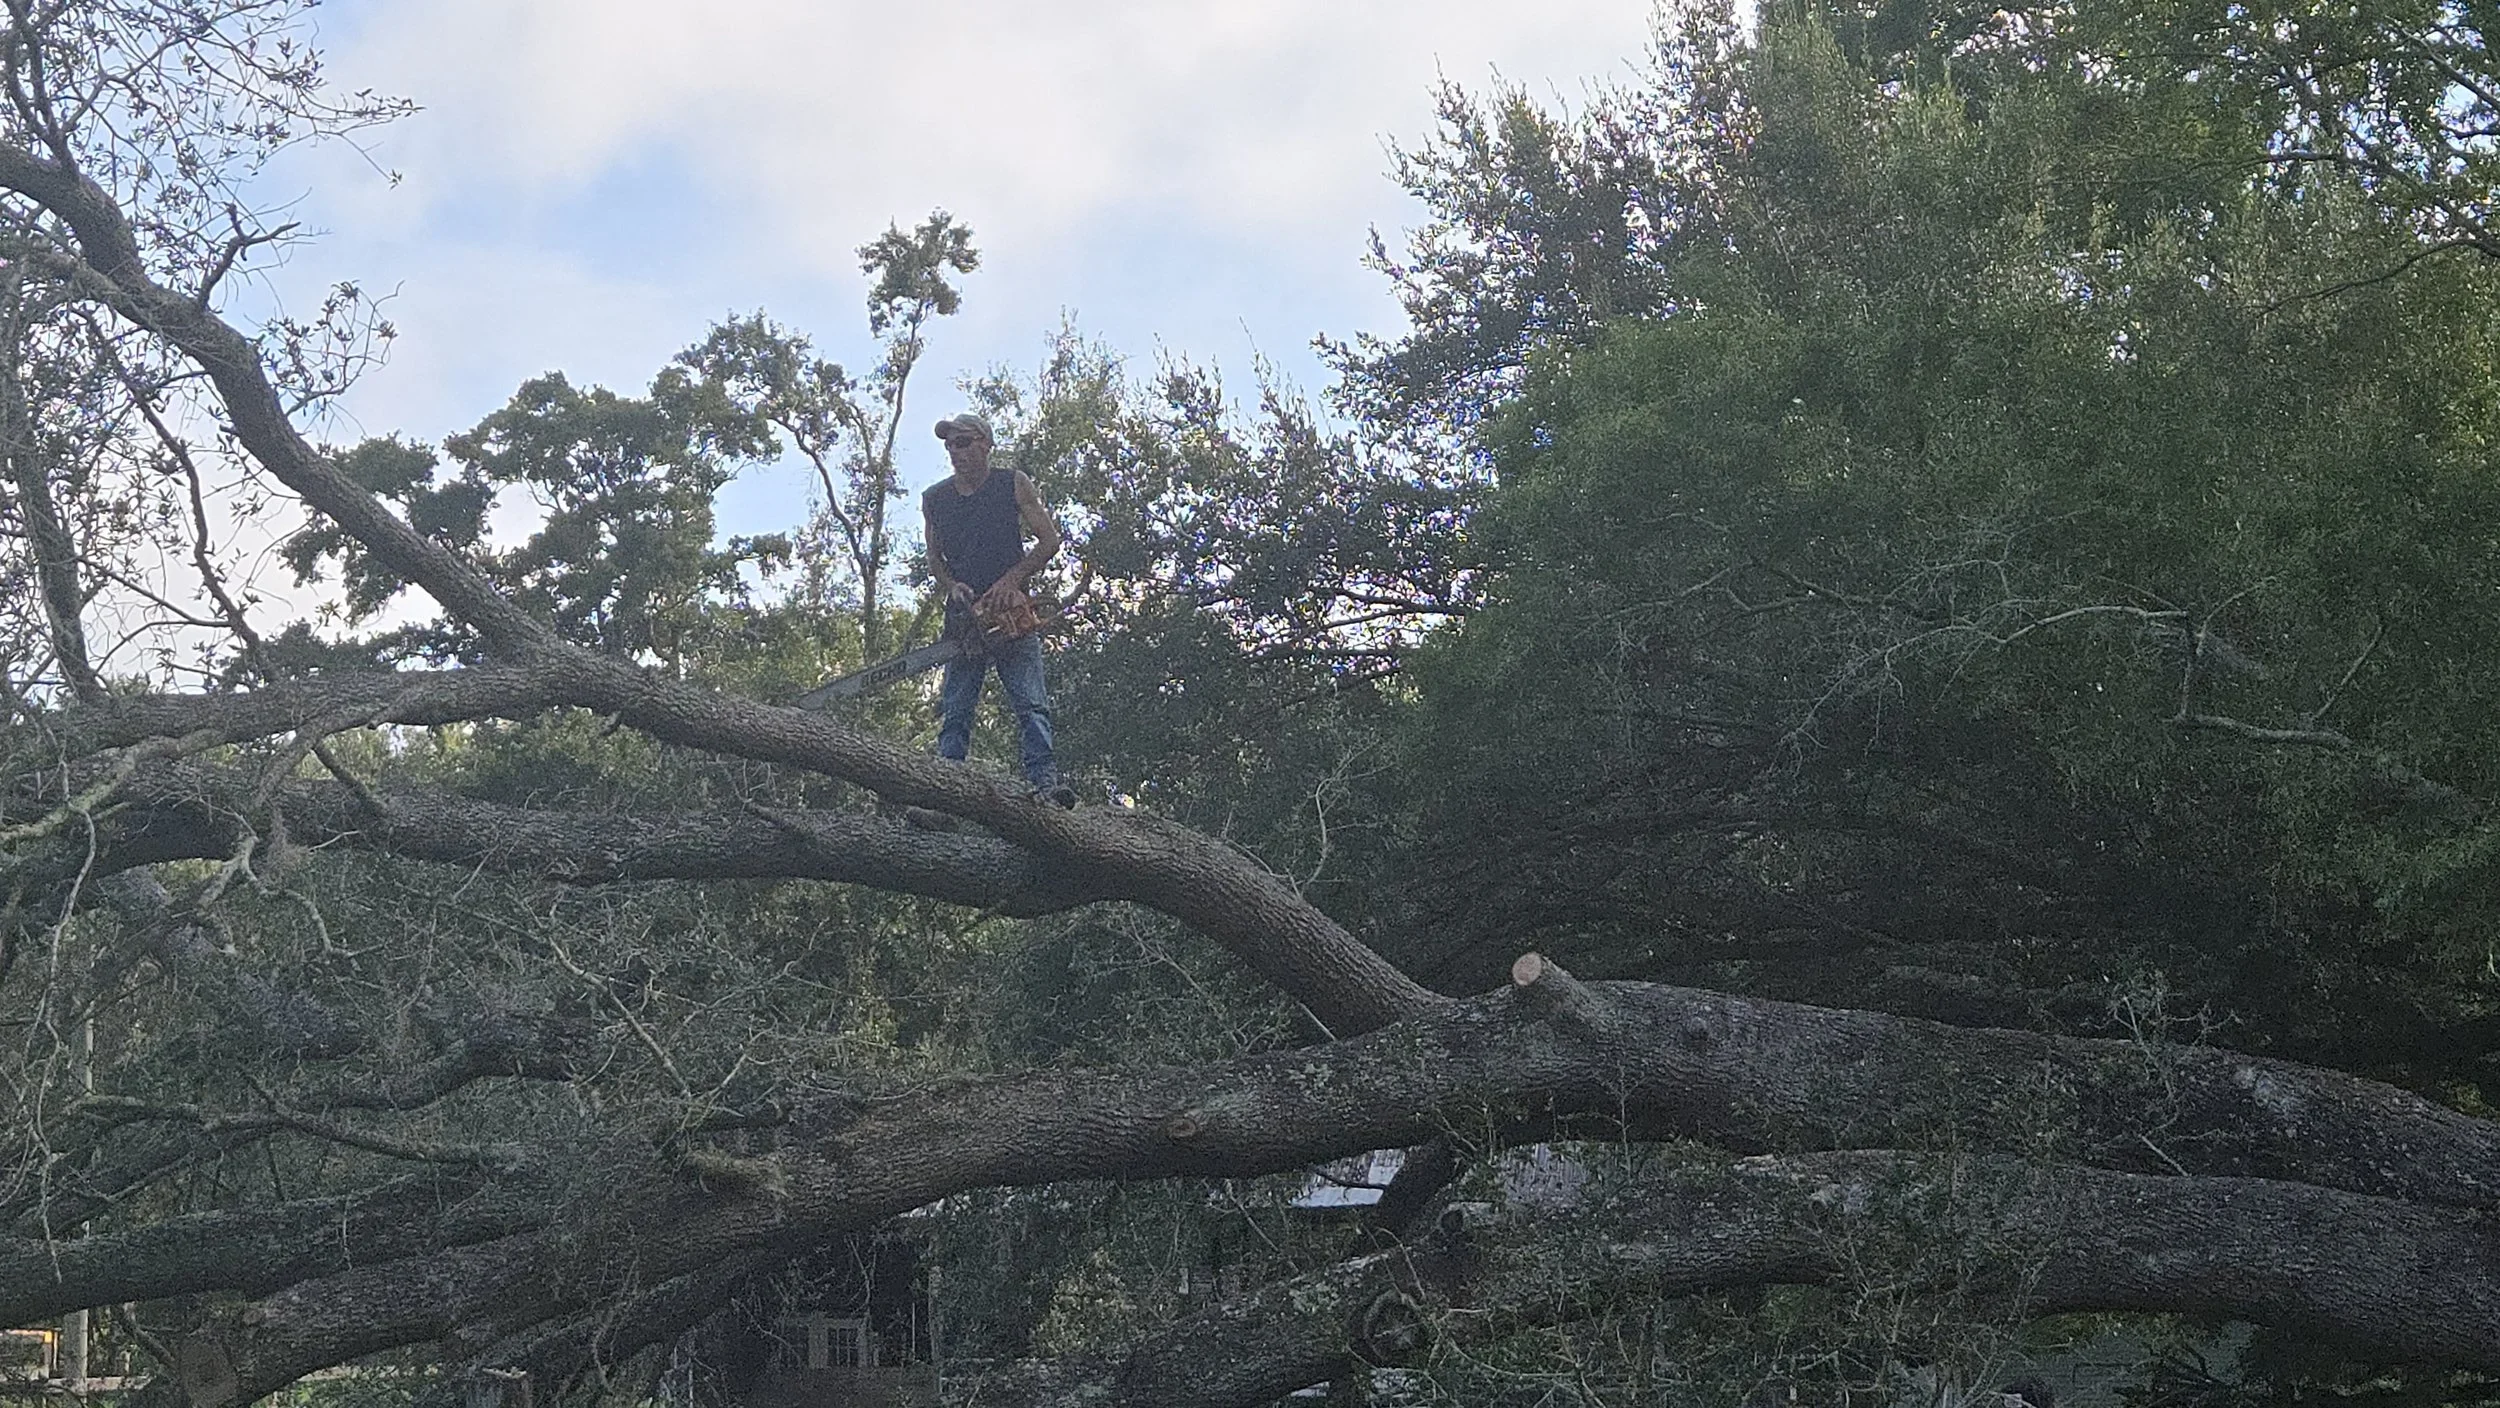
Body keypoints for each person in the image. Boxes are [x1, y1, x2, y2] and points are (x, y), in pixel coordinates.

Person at [922, 412, 1076, 806]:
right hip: (965, 617)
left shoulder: (1013, 484)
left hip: (1010, 611)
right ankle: (947, 792)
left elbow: (1048, 540)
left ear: (985, 444)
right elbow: (935, 558)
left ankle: (1045, 784)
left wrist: (1011, 582)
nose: (956, 451)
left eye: (964, 442)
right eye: (950, 444)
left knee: (1031, 703)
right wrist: (951, 585)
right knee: (956, 709)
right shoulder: (935, 499)